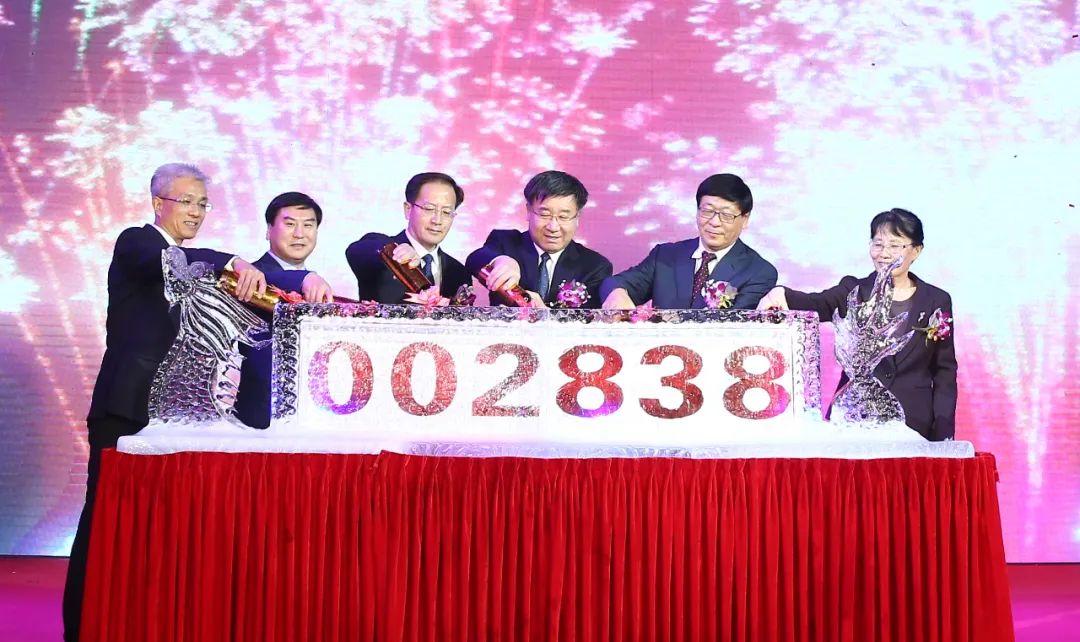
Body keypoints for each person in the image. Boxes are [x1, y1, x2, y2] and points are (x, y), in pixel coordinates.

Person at [63, 164, 330, 641]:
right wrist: (234, 259)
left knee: (155, 529)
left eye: (202, 204)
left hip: (177, 412)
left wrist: (290, 276)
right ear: (158, 203)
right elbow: (168, 260)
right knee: (104, 519)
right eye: (185, 201)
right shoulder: (136, 242)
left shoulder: (201, 267)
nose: (195, 211)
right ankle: (83, 627)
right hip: (127, 407)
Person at [756, 208, 957, 441]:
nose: (884, 254)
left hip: (914, 423)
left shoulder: (936, 300)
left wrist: (943, 431)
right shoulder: (854, 291)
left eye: (895, 246)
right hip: (855, 421)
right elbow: (817, 303)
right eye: (878, 244)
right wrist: (781, 293)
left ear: (916, 250)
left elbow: (944, 372)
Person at [599, 173, 777, 310]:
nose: (715, 222)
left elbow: (739, 326)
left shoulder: (759, 272)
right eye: (707, 211)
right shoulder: (666, 256)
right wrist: (617, 293)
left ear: (745, 219)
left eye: (726, 215)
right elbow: (615, 283)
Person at [233, 191, 331, 429]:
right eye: (289, 224)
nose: (299, 233)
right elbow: (268, 280)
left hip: (309, 418)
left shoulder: (318, 288)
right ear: (269, 230)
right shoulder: (249, 278)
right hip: (259, 420)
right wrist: (303, 277)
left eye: (308, 225)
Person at [465, 170, 612, 308]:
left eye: (563, 217)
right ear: (529, 211)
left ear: (577, 217)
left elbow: (588, 319)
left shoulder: (594, 266)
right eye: (544, 214)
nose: (553, 227)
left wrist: (545, 316)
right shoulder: (506, 242)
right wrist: (501, 260)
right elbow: (474, 259)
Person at [345, 172, 470, 303]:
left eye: (446, 212)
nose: (437, 220)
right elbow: (357, 250)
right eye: (429, 209)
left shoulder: (459, 272)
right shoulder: (382, 253)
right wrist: (394, 250)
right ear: (408, 209)